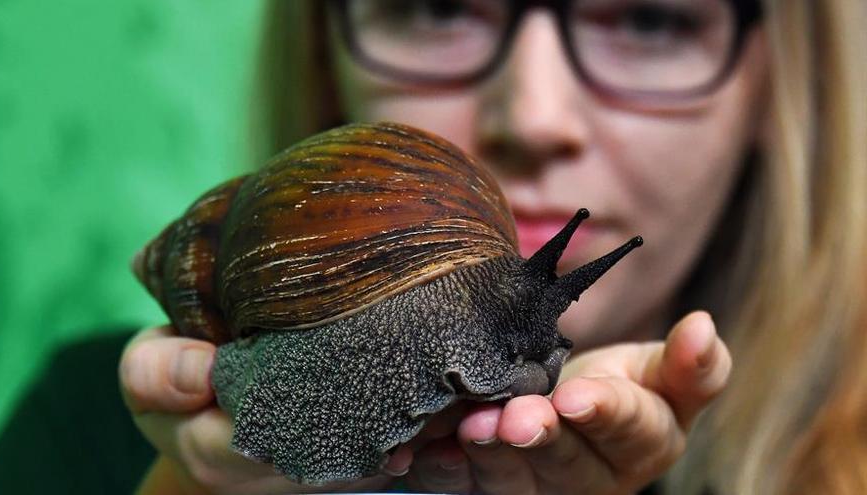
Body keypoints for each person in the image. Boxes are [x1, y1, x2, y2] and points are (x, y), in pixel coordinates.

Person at [119, 1, 867, 494]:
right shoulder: (82, 430)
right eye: (438, 4)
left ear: (780, 88)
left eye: (648, 19)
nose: (534, 116)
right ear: (323, 51)